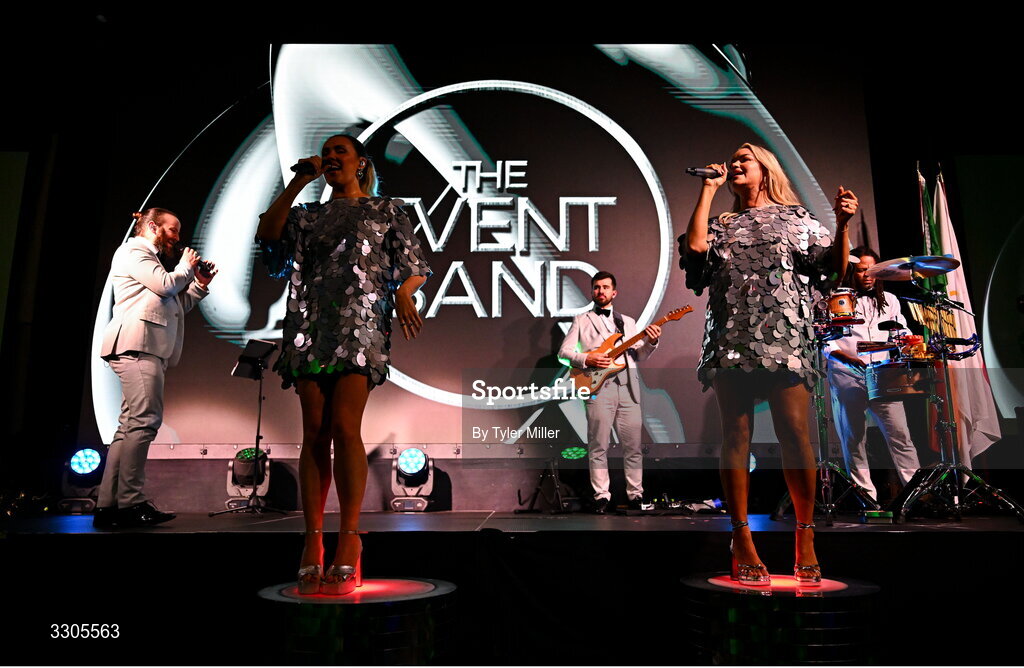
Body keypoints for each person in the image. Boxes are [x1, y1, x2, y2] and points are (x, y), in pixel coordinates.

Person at [256, 134, 431, 595]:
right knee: (313, 431)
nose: (332, 158)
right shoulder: (306, 215)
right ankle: (312, 541)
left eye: (341, 152)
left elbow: (413, 263)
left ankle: (349, 539)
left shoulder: (386, 209)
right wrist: (299, 181)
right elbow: (268, 237)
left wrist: (405, 291)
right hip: (310, 325)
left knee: (344, 427)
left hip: (361, 325)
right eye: (327, 153)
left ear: (360, 163)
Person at [681, 143, 856, 585]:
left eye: (745, 159)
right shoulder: (720, 222)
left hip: (786, 334)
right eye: (733, 160)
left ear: (765, 169)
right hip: (731, 336)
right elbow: (697, 249)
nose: (736, 164)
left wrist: (844, 224)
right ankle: (740, 538)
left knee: (795, 434)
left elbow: (832, 269)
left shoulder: (797, 219)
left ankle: (805, 536)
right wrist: (708, 190)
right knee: (735, 435)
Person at [96, 208, 217, 528]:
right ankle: (130, 502)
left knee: (130, 426)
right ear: (152, 226)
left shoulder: (153, 262)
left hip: (148, 347)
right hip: (137, 345)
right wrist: (186, 267)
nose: (177, 237)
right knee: (145, 422)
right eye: (173, 230)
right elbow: (165, 286)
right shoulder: (133, 250)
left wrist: (199, 284)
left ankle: (109, 506)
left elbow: (174, 306)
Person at [558, 271, 661, 513]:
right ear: (592, 292)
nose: (600, 291)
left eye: (605, 287)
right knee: (598, 445)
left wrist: (652, 342)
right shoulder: (582, 320)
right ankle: (601, 496)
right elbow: (564, 353)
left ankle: (635, 495)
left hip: (628, 389)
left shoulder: (628, 322)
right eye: (596, 287)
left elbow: (639, 354)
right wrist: (587, 357)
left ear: (614, 292)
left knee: (633, 446)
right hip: (598, 387)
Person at [825, 246, 920, 502]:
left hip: (882, 374)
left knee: (900, 434)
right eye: (860, 270)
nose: (867, 275)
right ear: (851, 272)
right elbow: (824, 338)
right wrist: (842, 356)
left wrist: (907, 339)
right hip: (847, 374)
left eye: (872, 270)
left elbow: (898, 331)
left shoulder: (890, 300)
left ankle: (914, 495)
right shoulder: (836, 298)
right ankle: (867, 497)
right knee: (854, 438)